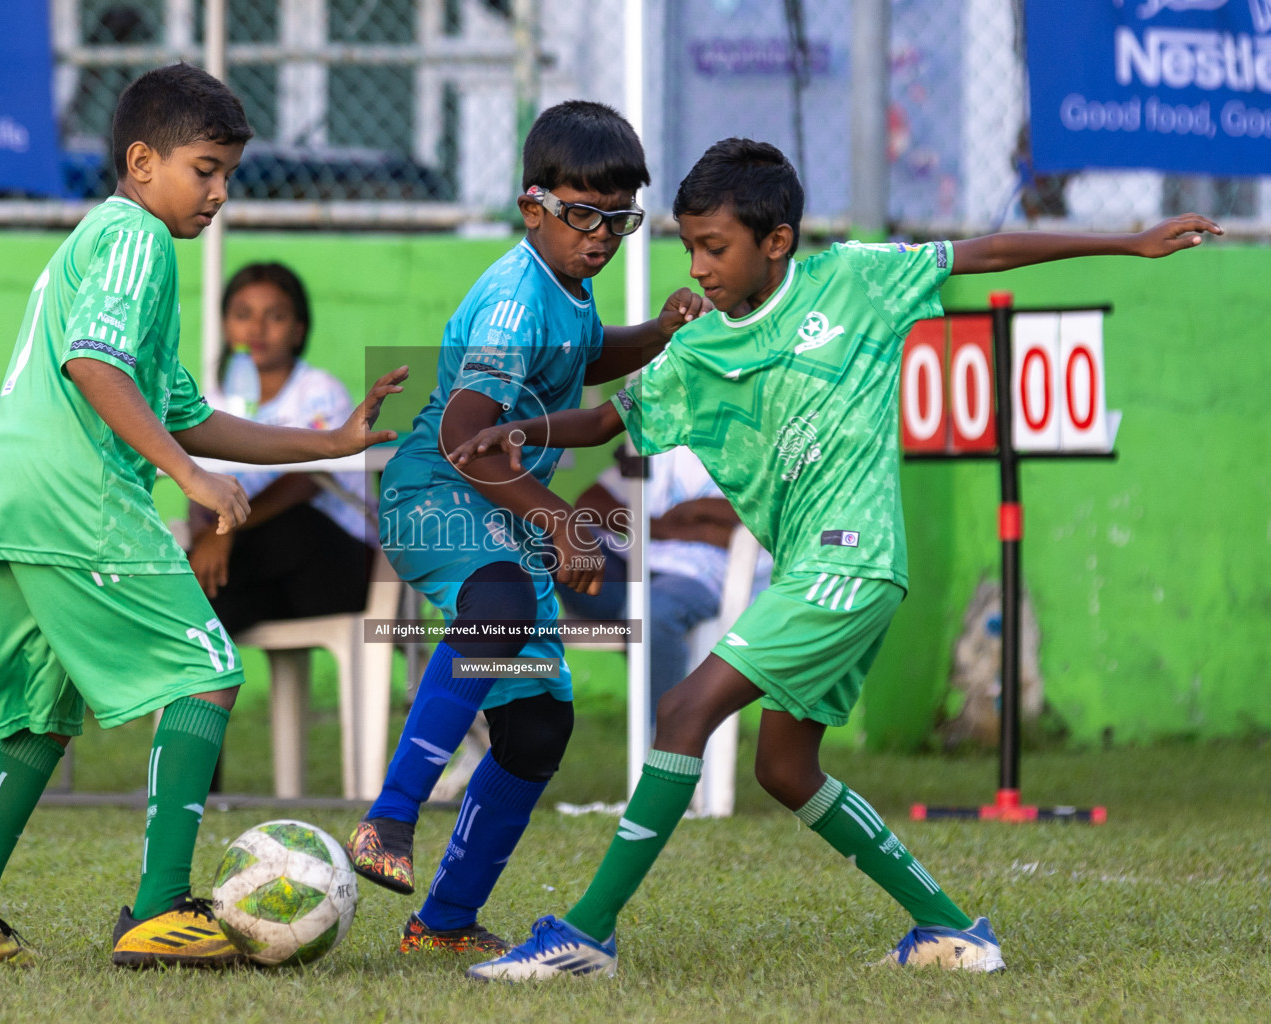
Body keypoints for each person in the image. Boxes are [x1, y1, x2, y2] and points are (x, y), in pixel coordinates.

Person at [449, 138, 1222, 980]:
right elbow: (605, 422)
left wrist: (1127, 240)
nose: (699, 268)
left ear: (775, 241)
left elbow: (985, 251)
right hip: (815, 573)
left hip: (852, 563)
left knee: (682, 713)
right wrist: (522, 428)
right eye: (690, 247)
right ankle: (950, 929)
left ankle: (585, 936)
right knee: (784, 768)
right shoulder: (699, 353)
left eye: (717, 247)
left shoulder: (856, 278)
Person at [0, 63, 406, 970]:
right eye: (205, 169)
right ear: (142, 162)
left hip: (9, 501)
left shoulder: (104, 241)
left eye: (227, 176)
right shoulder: (138, 237)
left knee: (35, 723)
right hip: (76, 498)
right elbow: (95, 370)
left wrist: (331, 441)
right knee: (210, 669)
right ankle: (157, 909)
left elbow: (185, 411)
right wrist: (185, 478)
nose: (219, 193)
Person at [345, 99, 712, 957]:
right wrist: (561, 520)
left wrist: (657, 333)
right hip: (439, 494)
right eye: (583, 214)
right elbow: (463, 437)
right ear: (533, 206)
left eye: (619, 219)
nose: (602, 236)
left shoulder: (566, 289)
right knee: (501, 606)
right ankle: (389, 821)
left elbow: (583, 356)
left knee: (539, 724)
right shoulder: (515, 300)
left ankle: (442, 923)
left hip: (502, 515)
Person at [187, 262, 372, 636]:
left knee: (290, 525)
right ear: (225, 325)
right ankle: (172, 683)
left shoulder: (321, 392)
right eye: (243, 315)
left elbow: (306, 481)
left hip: (337, 566)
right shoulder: (212, 400)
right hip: (263, 573)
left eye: (276, 316)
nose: (257, 329)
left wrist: (225, 533)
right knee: (207, 609)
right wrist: (203, 534)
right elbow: (196, 482)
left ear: (298, 330)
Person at [556, 445, 773, 715]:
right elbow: (591, 503)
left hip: (699, 577)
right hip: (630, 570)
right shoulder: (661, 441)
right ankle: (503, 701)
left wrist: (700, 509)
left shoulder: (756, 445)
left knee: (652, 611)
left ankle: (662, 736)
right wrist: (661, 527)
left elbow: (770, 513)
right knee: (548, 533)